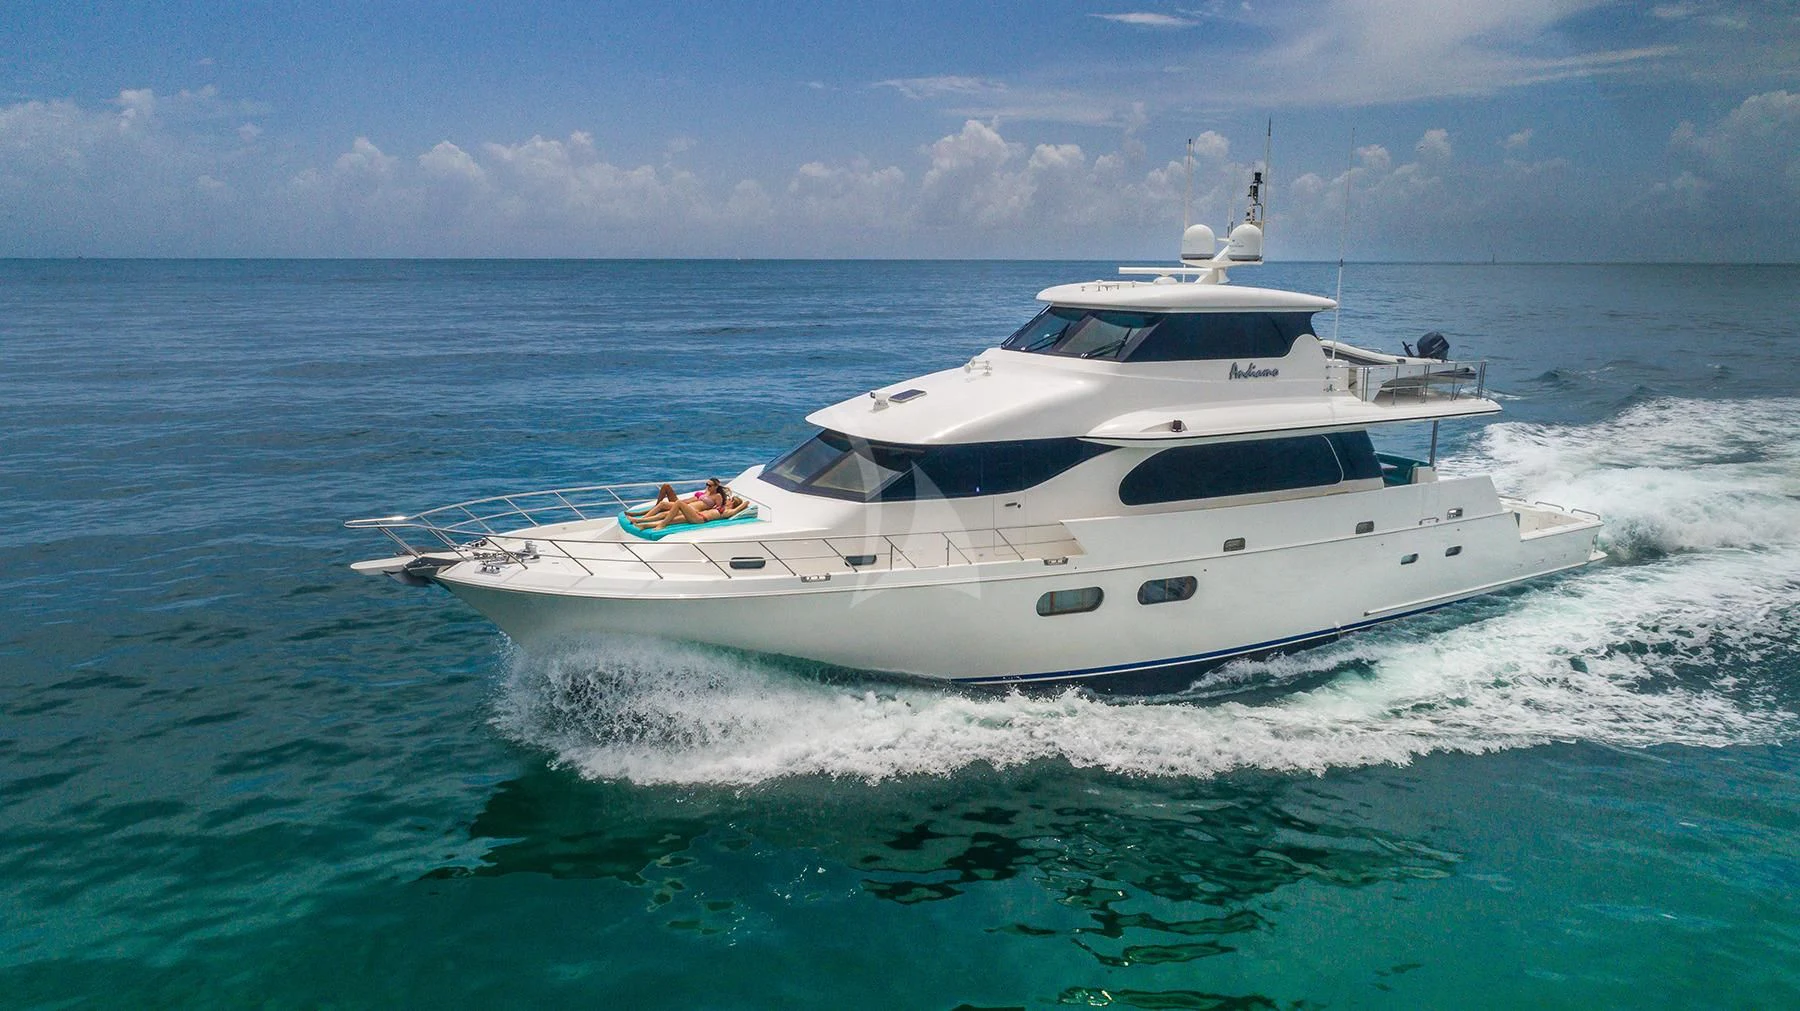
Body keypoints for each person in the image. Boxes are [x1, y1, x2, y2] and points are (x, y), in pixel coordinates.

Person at [628, 479, 732, 529]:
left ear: (715, 486)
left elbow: (719, 507)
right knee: (662, 505)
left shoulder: (717, 496)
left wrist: (724, 506)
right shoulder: (707, 492)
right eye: (706, 484)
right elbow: (695, 499)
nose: (707, 486)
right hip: (687, 505)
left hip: (693, 510)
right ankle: (641, 518)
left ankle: (644, 520)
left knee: (664, 514)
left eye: (709, 485)